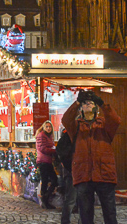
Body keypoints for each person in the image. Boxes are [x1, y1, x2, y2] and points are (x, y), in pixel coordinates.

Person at [62, 90, 121, 224]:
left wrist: (102, 103)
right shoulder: (76, 126)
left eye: (91, 102)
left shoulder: (104, 125)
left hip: (104, 174)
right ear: (81, 108)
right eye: (85, 103)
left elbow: (116, 120)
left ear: (95, 107)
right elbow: (66, 119)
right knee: (86, 216)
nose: (88, 104)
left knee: (110, 215)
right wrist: (76, 102)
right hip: (84, 176)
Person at [35, 120, 58, 209]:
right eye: (47, 127)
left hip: (47, 161)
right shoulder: (41, 135)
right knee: (46, 181)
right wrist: (55, 150)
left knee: (53, 180)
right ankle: (44, 200)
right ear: (44, 127)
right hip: (43, 162)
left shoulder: (49, 136)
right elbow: (43, 149)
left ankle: (45, 199)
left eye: (50, 127)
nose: (48, 128)